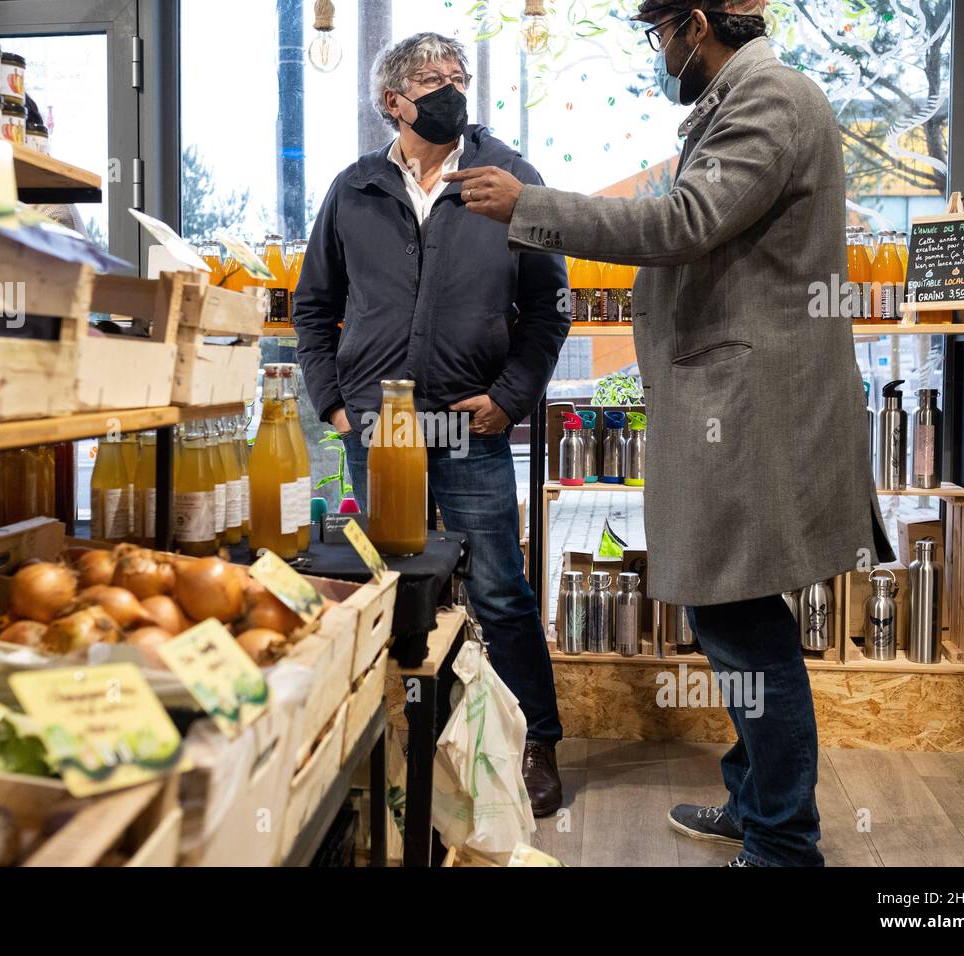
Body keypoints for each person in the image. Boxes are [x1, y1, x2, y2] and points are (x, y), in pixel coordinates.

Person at [450, 0, 893, 866]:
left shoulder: (772, 97)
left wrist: (530, 207)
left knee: (742, 626)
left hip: (751, 407)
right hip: (733, 398)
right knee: (737, 613)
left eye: (660, 34)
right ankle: (758, 799)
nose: (660, 52)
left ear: (697, 23)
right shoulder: (739, 102)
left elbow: (681, 222)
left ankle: (782, 843)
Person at [292, 32, 571, 816]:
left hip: (469, 424)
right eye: (431, 79)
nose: (451, 88)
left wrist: (510, 397)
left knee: (498, 589)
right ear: (393, 101)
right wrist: (334, 401)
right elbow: (313, 307)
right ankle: (401, 742)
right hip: (377, 429)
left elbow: (550, 307)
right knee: (391, 587)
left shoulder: (509, 178)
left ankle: (533, 743)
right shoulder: (353, 190)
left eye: (458, 76)